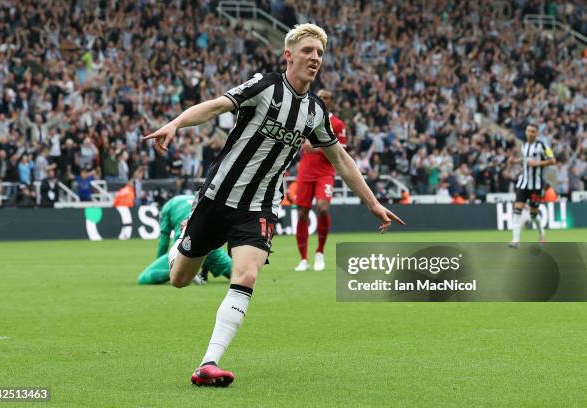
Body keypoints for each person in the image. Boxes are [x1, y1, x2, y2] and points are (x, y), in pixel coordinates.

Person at [143, 23, 404, 388]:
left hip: (260, 205)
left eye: (320, 53)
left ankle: (208, 362)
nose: (315, 58)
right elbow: (217, 106)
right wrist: (176, 123)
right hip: (217, 197)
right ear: (289, 55)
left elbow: (341, 159)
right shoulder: (265, 87)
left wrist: (373, 203)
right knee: (180, 279)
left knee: (247, 274)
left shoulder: (315, 111)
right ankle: (184, 238)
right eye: (309, 51)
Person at [293, 89, 347, 271]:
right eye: (320, 97)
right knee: (301, 213)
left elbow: (341, 151)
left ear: (330, 102)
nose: (323, 100)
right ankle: (303, 259)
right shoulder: (307, 119)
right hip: (305, 172)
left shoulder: (338, 124)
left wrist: (314, 147)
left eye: (326, 98)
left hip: (325, 172)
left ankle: (320, 253)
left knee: (323, 208)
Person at [137, 194, 232, 285]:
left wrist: (159, 262)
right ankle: (196, 272)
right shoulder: (198, 198)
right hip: (210, 245)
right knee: (239, 275)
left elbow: (164, 239)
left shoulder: (168, 206)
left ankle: (178, 273)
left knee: (143, 278)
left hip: (184, 245)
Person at [508, 124, 556, 248]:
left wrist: (537, 163)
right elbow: (524, 159)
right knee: (517, 210)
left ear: (537, 133)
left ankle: (541, 234)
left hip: (536, 186)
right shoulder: (524, 146)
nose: (530, 133)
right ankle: (515, 241)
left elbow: (552, 160)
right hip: (523, 184)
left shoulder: (543, 146)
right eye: (528, 131)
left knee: (533, 214)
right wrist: (515, 161)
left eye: (533, 131)